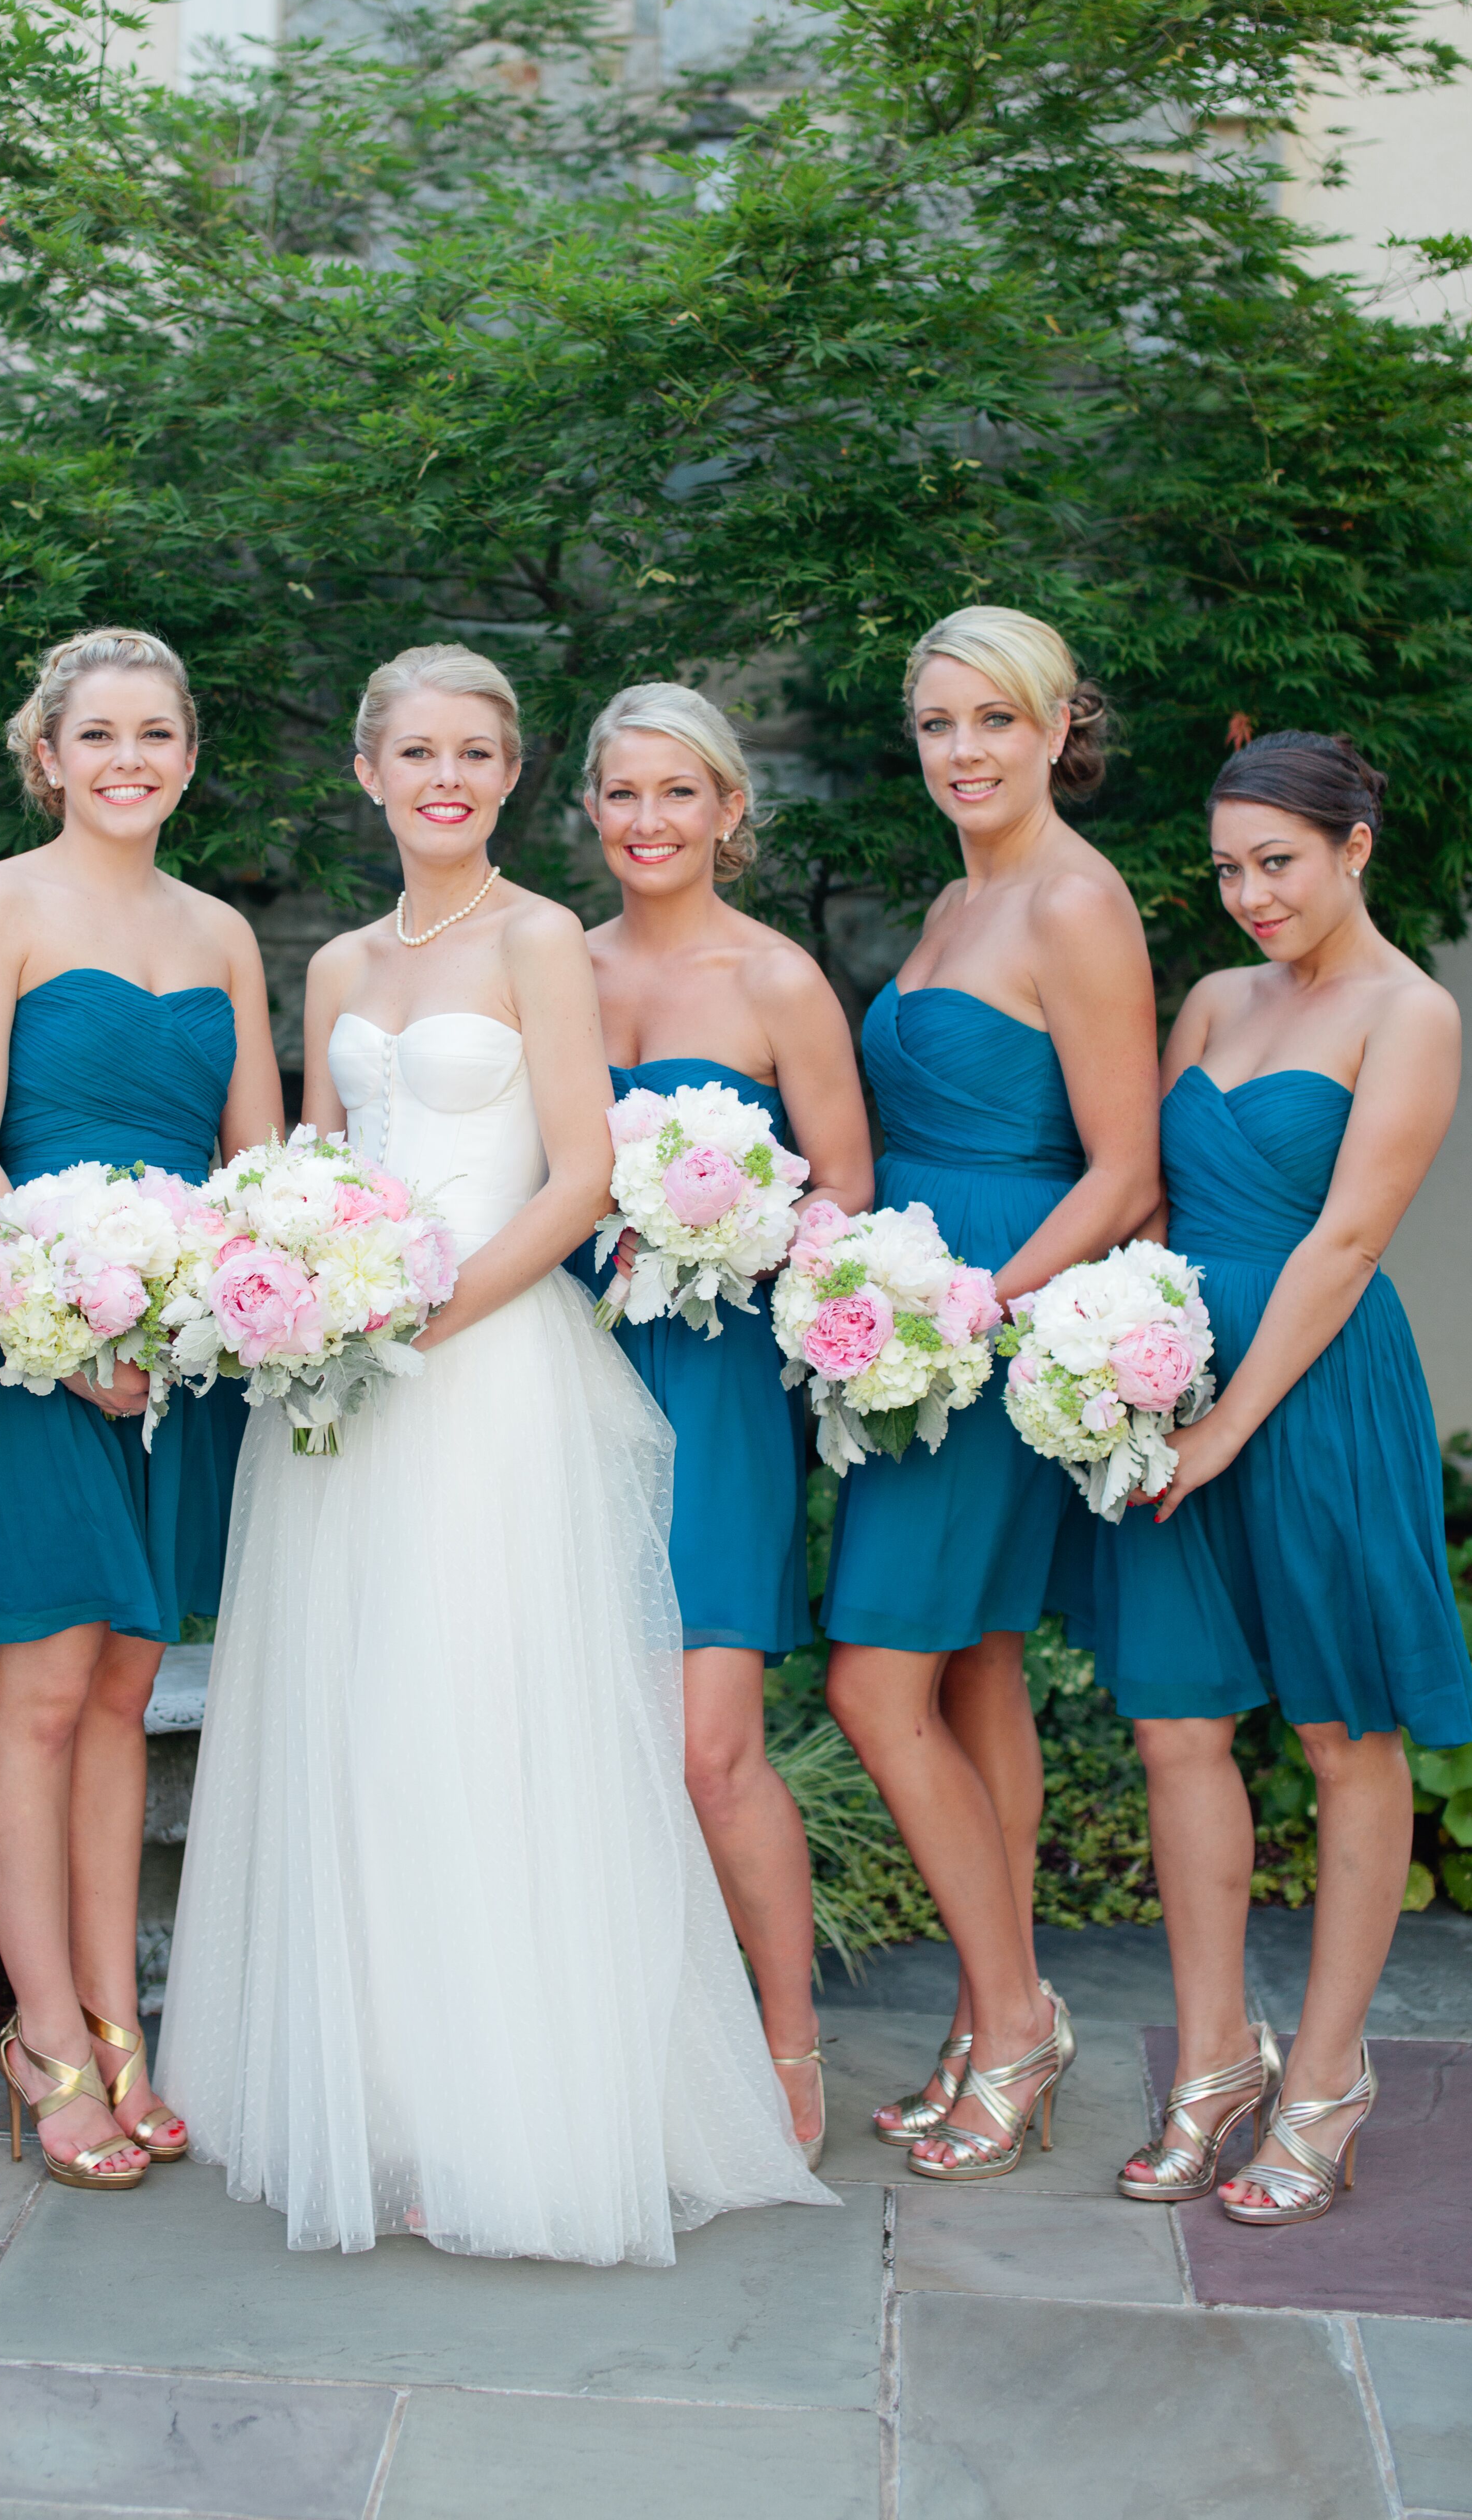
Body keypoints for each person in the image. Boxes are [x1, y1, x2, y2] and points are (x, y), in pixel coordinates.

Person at [156, 642, 832, 2261]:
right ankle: (388, 2097)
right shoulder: (331, 968)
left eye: (476, 754)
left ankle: (522, 2113)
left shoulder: (541, 942)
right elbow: (321, 1166)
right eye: (418, 755)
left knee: (503, 1716)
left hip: (494, 1364)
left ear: (511, 778)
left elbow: (582, 1177)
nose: (446, 779)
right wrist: (309, 1294)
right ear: (370, 776)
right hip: (353, 1390)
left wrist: (431, 1317)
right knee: (371, 1718)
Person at [0, 627, 280, 2190]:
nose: (130, 759)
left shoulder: (224, 935)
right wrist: (64, 1329)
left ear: (188, 757)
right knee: (45, 1691)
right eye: (99, 735)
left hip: (182, 1367)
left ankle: (118, 2022)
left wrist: (226, 1302)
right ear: (48, 756)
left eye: (157, 735)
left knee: (128, 1691)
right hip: (41, 1349)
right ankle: (46, 2034)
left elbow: (263, 1166)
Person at [1093, 733, 1472, 2225]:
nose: (1252, 895)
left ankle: (1325, 2078)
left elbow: (1345, 1243)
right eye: (1232, 869)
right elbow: (1157, 1201)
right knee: (1177, 1724)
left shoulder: (1412, 1012)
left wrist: (1228, 1428)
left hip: (1314, 1399)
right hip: (1177, 1376)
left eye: (1280, 864)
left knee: (1341, 1734)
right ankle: (1212, 2063)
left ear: (1355, 848)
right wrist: (1110, 1364)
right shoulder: (1211, 1001)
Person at [823, 605, 1161, 2184]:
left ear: (1053, 729)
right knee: (977, 1682)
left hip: (986, 1336)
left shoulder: (1076, 904)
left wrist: (986, 1303)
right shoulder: (968, 896)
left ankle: (1018, 2019)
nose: (963, 751)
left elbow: (1126, 1166)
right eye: (940, 724)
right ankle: (986, 2015)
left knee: (874, 1688)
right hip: (916, 1332)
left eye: (994, 723)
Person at [577, 682, 875, 2167]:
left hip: (719, 1392)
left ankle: (785, 2038)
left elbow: (851, 1204)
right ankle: (626, 2059)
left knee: (711, 1749)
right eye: (624, 795)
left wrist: (737, 1234)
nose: (649, 823)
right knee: (596, 1745)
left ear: (729, 811)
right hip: (572, 1379)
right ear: (590, 810)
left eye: (678, 795)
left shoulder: (778, 984)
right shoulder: (551, 968)